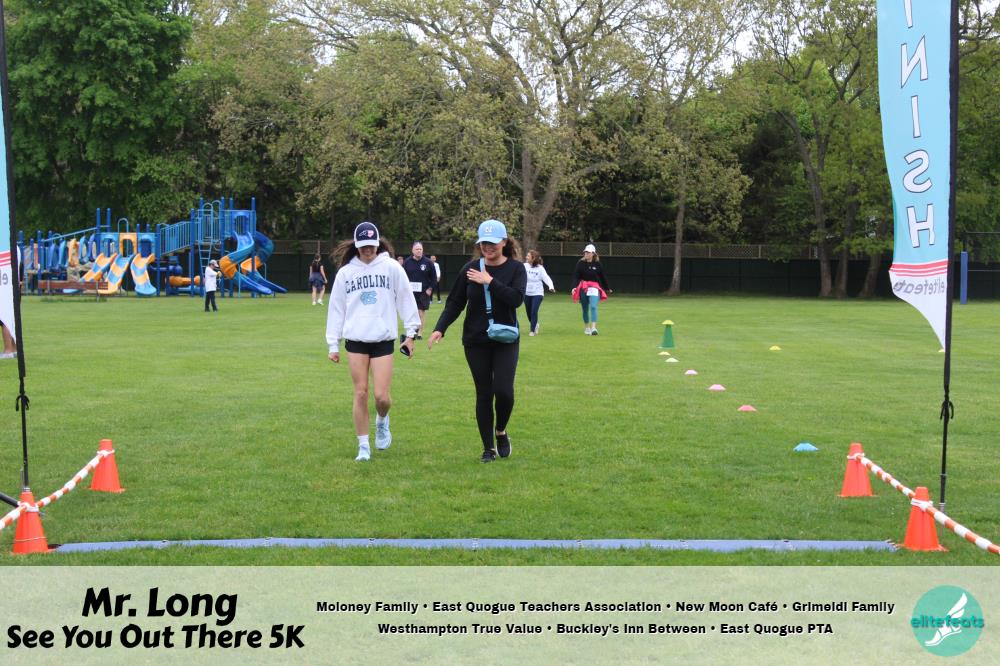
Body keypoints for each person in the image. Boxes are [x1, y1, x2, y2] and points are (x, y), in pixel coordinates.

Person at [428, 220, 526, 463]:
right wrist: (440, 328)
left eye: (492, 243)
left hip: (505, 339)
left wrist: (489, 281)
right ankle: (488, 448)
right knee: (484, 393)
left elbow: (516, 299)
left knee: (503, 391)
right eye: (483, 243)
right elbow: (455, 302)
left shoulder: (516, 269)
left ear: (504, 242)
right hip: (475, 340)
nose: (488, 247)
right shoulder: (470, 269)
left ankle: (501, 430)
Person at [326, 221, 420, 462]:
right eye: (363, 245)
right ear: (357, 246)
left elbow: (406, 299)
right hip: (356, 339)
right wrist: (333, 344)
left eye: (371, 245)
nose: (368, 249)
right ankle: (363, 447)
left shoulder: (391, 267)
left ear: (378, 244)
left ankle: (382, 420)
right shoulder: (346, 273)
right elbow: (336, 309)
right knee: (360, 393)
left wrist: (411, 334)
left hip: (382, 339)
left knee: (381, 397)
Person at [572, 243, 612, 335]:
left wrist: (607, 288)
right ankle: (587, 327)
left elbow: (602, 277)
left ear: (593, 253)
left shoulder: (597, 264)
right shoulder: (580, 263)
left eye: (588, 252)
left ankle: (594, 328)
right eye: (585, 252)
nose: (586, 254)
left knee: (593, 306)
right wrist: (574, 287)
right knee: (585, 308)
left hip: (594, 287)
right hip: (583, 287)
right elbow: (576, 276)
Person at [402, 241, 437, 338]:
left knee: (421, 312)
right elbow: (402, 277)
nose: (419, 251)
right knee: (411, 313)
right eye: (417, 249)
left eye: (420, 249)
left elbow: (434, 278)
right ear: (412, 250)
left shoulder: (428, 262)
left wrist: (430, 289)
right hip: (410, 293)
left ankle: (420, 333)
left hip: (423, 292)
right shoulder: (407, 262)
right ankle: (411, 332)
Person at [523, 250, 555, 336]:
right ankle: (535, 324)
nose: (526, 257)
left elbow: (546, 278)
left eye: (528, 256)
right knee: (529, 312)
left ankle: (532, 331)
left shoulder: (540, 268)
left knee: (534, 311)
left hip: (537, 293)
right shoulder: (524, 266)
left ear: (533, 258)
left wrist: (551, 286)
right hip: (527, 293)